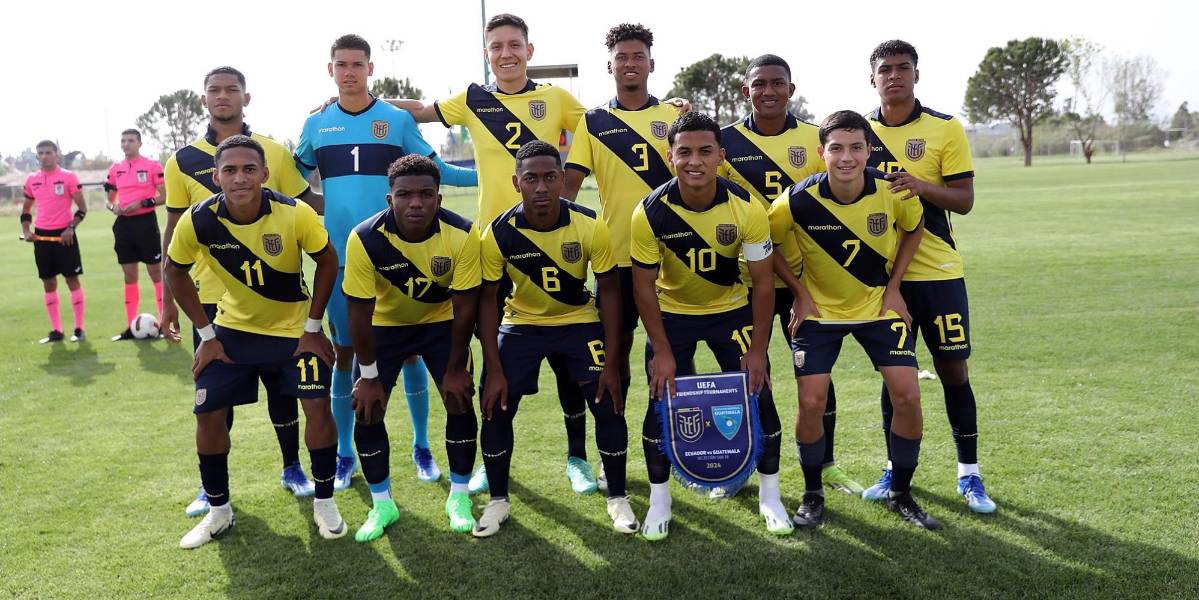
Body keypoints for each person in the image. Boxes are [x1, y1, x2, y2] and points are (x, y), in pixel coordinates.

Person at [383, 13, 600, 495]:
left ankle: (578, 459)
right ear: (487, 54)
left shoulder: (555, 99)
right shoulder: (472, 99)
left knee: (569, 362)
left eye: (514, 45)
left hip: (553, 240)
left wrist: (571, 186)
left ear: (529, 51)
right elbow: (421, 110)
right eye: (497, 46)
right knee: (494, 357)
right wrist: (364, 101)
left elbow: (602, 126)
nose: (506, 54)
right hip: (493, 247)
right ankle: (490, 461)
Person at [295, 34, 478, 491]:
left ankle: (422, 447)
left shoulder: (395, 121)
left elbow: (439, 171)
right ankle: (345, 455)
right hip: (342, 258)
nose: (349, 72)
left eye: (357, 64)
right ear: (330, 70)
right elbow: (290, 178)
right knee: (346, 355)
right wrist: (323, 208)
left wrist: (493, 175)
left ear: (370, 68)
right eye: (342, 64)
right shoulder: (315, 125)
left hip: (399, 253)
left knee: (411, 349)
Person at [165, 135, 344, 548]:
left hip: (294, 334)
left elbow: (327, 259)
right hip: (232, 332)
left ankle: (324, 501)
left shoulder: (294, 212)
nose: (240, 178)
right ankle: (219, 511)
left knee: (318, 406)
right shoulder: (198, 219)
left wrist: (313, 327)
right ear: (216, 177)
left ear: (264, 174)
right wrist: (206, 335)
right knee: (208, 413)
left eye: (249, 169)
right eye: (229, 170)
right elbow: (174, 269)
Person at [768, 110, 939, 529]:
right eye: (837, 148)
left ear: (868, 151)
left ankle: (901, 493)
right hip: (820, 312)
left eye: (856, 148)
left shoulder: (893, 191)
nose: (847, 157)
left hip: (878, 307)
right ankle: (812, 494)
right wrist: (800, 293)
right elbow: (765, 244)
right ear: (821, 152)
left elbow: (914, 229)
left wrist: (895, 286)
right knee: (811, 401)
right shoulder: (795, 201)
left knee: (908, 396)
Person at [162, 66, 318, 517]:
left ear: (246, 98)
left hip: (274, 296)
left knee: (283, 388)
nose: (223, 96)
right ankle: (211, 489)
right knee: (214, 392)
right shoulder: (182, 160)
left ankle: (292, 466)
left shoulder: (272, 151)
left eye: (232, 89)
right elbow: (173, 230)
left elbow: (306, 208)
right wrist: (168, 299)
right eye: (215, 90)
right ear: (204, 99)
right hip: (209, 297)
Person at [629, 112, 790, 540]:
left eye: (705, 151)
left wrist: (758, 350)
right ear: (670, 157)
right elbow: (643, 287)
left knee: (760, 397)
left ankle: (770, 497)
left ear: (721, 156)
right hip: (673, 316)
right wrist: (662, 350)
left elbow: (763, 284)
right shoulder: (649, 212)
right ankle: (660, 502)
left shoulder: (746, 207)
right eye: (684, 152)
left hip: (730, 311)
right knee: (659, 402)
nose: (694, 161)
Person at [716, 54, 861, 499]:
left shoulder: (815, 139)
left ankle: (827, 464)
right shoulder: (724, 142)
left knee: (816, 377)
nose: (769, 91)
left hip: (804, 283)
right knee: (746, 374)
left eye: (777, 83)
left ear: (791, 89)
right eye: (759, 84)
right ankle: (743, 467)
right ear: (746, 91)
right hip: (745, 282)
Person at [862, 40, 995, 513]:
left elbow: (964, 200)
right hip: (884, 281)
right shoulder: (858, 132)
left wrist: (920, 186)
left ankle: (969, 473)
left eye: (903, 68)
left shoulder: (944, 128)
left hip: (938, 273)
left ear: (916, 74)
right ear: (872, 78)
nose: (894, 75)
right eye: (885, 69)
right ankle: (893, 470)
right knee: (896, 376)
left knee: (953, 370)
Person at [474, 141, 632, 538]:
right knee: (494, 405)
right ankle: (498, 501)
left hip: (578, 321)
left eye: (549, 177)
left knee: (608, 403)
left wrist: (613, 362)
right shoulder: (498, 233)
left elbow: (610, 293)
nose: (541, 187)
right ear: (517, 183)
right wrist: (493, 366)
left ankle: (617, 496)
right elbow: (487, 302)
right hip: (521, 324)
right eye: (531, 179)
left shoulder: (589, 224)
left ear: (563, 180)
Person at [561, 25, 682, 477]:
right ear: (609, 65)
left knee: (671, 355)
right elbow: (569, 189)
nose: (630, 63)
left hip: (674, 261)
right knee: (612, 359)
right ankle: (610, 454)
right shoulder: (592, 122)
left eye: (638, 56)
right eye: (622, 57)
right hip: (616, 261)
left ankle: (671, 450)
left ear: (652, 63)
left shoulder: (674, 116)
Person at [341, 155, 482, 540]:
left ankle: (459, 496)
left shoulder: (462, 233)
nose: (415, 203)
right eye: (405, 195)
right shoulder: (365, 237)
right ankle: (382, 504)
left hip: (441, 324)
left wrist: (456, 368)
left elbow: (465, 306)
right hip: (384, 328)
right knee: (367, 410)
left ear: (439, 198)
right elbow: (359, 312)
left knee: (459, 399)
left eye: (425, 194)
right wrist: (369, 376)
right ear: (390, 199)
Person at [21, 140, 87, 343]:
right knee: (48, 283)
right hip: (42, 237)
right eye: (40, 153)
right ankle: (56, 331)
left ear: (56, 155)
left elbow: (82, 209)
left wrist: (71, 228)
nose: (44, 156)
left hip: (65, 236)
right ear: (37, 156)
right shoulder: (32, 179)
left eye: (48, 152)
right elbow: (26, 211)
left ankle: (79, 329)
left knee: (72, 280)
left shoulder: (68, 177)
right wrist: (26, 231)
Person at [105, 128, 166, 340]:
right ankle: (131, 327)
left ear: (139, 143)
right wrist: (114, 207)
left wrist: (142, 203)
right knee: (129, 277)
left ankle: (164, 324)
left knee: (155, 273)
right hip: (124, 226)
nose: (126, 144)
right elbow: (108, 200)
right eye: (123, 141)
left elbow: (164, 196)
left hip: (146, 223)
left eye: (130, 140)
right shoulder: (115, 169)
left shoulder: (153, 166)